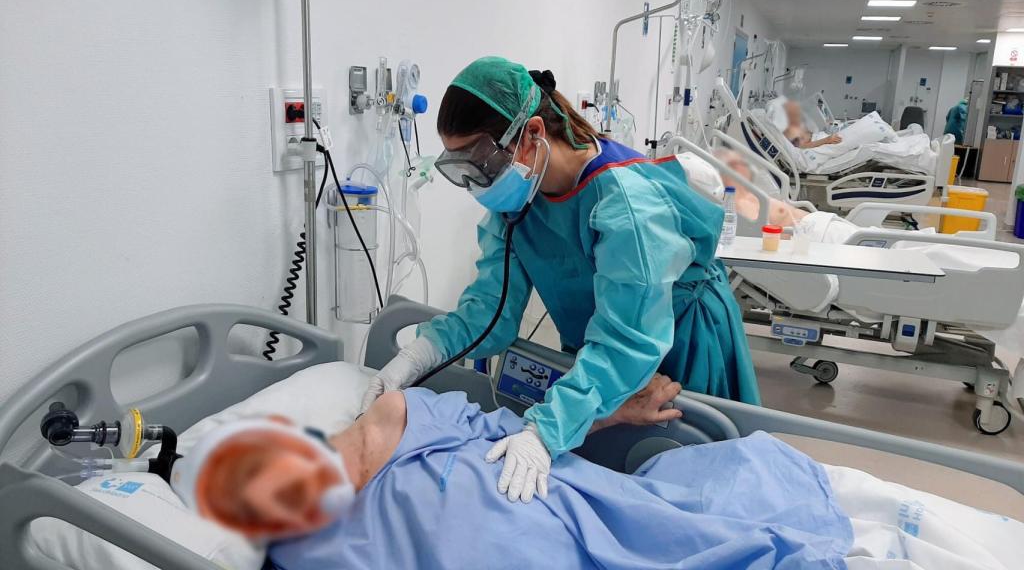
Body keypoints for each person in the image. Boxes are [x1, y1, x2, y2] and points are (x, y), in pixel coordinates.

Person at [359, 56, 759, 504]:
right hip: (601, 354)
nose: (478, 181)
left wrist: (546, 431)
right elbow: (491, 312)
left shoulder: (626, 204)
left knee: (693, 487)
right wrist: (417, 355)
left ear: (532, 134)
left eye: (481, 159)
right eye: (461, 167)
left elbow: (629, 341)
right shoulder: (518, 205)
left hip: (676, 341)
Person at [174, 380, 852, 569]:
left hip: (582, 514)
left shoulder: (403, 410)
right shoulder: (308, 542)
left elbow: (528, 434)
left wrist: (614, 412)